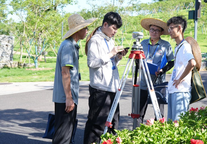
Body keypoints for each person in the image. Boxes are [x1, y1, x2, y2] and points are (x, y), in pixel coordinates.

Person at [84, 12, 128, 144]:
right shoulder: (95, 40)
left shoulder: (110, 39)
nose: (115, 32)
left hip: (112, 87)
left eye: (117, 29)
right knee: (97, 125)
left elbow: (110, 63)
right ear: (105, 24)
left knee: (113, 123)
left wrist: (118, 56)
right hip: (100, 89)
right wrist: (110, 54)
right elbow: (92, 63)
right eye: (114, 28)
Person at [52, 14, 96, 144]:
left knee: (67, 132)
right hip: (65, 98)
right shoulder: (68, 46)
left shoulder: (72, 45)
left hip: (67, 97)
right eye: (85, 28)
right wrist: (69, 98)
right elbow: (65, 72)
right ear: (78, 30)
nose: (87, 31)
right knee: (63, 136)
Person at [137, 18, 174, 126]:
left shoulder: (165, 45)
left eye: (157, 30)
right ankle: (137, 132)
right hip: (144, 82)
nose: (154, 32)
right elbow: (136, 60)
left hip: (158, 84)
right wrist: (140, 65)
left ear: (161, 32)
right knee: (139, 111)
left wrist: (162, 71)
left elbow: (171, 62)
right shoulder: (142, 44)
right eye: (152, 29)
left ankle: (159, 134)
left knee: (159, 112)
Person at [166, 16, 196, 121]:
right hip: (174, 90)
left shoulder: (185, 46)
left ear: (179, 28)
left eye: (171, 28)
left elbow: (192, 63)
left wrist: (180, 78)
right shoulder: (178, 46)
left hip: (181, 91)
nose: (169, 31)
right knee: (171, 124)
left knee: (178, 125)